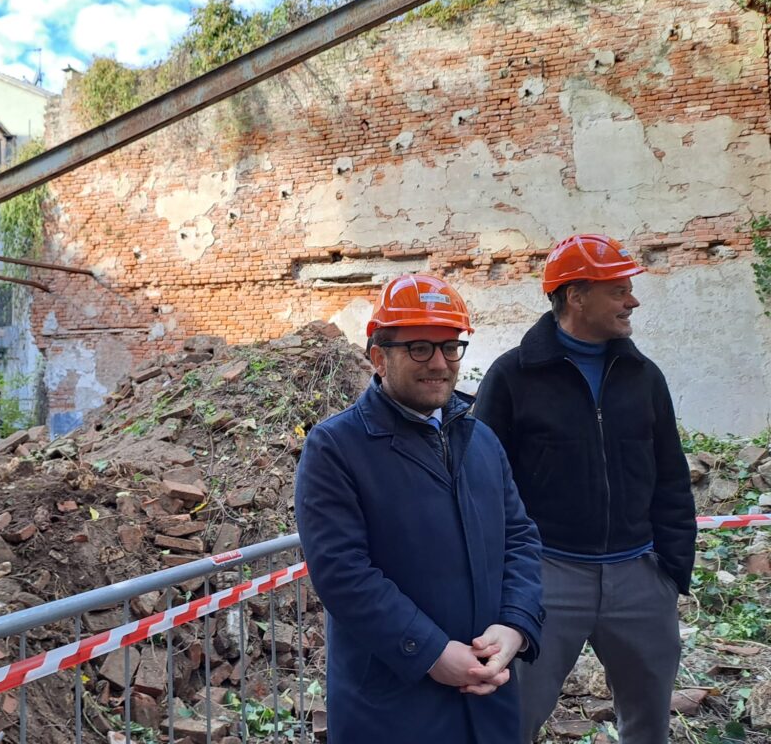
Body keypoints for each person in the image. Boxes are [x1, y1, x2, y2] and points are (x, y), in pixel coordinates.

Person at [295, 273, 545, 744]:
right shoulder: (336, 448)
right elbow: (343, 574)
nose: (439, 363)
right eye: (419, 348)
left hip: (488, 700)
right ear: (378, 357)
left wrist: (515, 625)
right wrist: (430, 653)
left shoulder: (482, 441)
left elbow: (520, 538)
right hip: (393, 707)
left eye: (450, 347)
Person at [474, 234, 696, 744]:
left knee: (648, 728)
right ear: (576, 296)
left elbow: (671, 477)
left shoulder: (644, 377)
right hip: (546, 578)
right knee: (512, 721)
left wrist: (670, 572)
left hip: (640, 577)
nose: (632, 300)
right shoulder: (512, 377)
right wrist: (505, 582)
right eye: (618, 290)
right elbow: (483, 488)